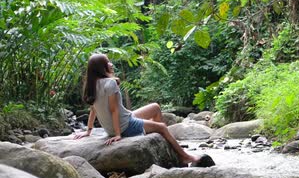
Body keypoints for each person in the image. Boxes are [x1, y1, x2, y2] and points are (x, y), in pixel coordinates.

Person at [74, 53, 213, 167]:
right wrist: (118, 134)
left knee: (155, 108)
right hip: (125, 125)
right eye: (108, 62)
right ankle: (184, 157)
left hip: (122, 119)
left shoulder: (92, 85)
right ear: (102, 67)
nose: (111, 64)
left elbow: (93, 109)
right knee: (162, 127)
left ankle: (163, 144)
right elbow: (114, 110)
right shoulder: (110, 83)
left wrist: (88, 131)